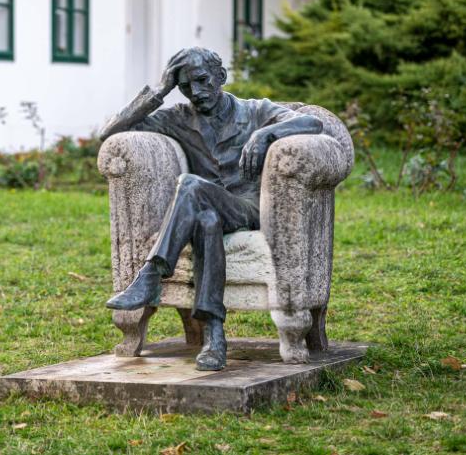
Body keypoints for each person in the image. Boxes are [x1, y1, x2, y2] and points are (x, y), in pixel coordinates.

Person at [99, 47, 322, 370]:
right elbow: (109, 132)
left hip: (248, 207)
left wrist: (266, 133)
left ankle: (151, 274)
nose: (196, 92)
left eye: (203, 80)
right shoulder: (178, 118)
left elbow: (313, 122)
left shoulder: (255, 111)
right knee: (206, 220)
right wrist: (160, 90)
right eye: (185, 86)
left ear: (221, 76)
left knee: (190, 185)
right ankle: (214, 336)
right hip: (206, 208)